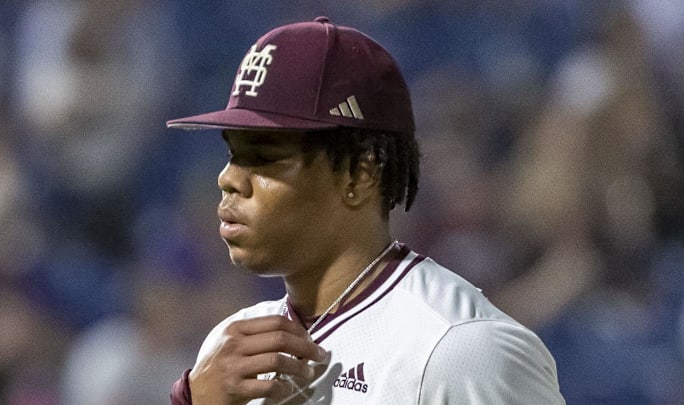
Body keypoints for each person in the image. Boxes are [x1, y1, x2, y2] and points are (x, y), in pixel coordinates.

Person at [166, 16, 565, 405]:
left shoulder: (461, 350)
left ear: (360, 173)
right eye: (233, 154)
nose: (228, 179)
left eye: (264, 157)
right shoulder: (232, 348)